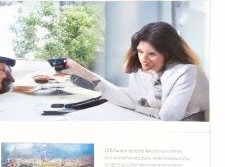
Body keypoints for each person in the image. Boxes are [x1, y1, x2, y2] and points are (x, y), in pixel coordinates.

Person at [62, 22, 209, 122]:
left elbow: (168, 116)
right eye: (140, 51)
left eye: (152, 54)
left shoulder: (186, 71)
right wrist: (84, 73)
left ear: (168, 53)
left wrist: (138, 107)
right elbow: (129, 98)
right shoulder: (142, 71)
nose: (143, 60)